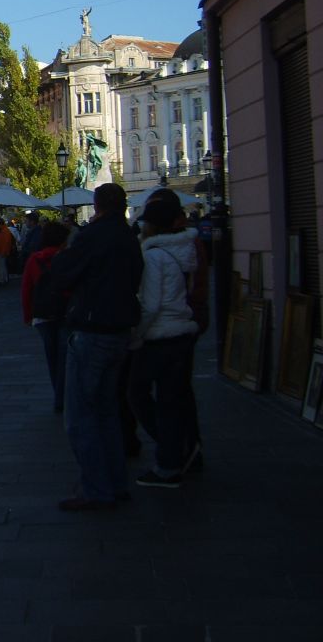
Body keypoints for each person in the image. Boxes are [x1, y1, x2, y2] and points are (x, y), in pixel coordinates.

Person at [48, 182, 144, 511]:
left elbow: (62, 274)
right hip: (121, 330)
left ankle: (96, 488)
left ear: (97, 205)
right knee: (107, 412)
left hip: (92, 328)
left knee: (80, 416)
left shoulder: (92, 236)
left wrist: (65, 250)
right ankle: (115, 483)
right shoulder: (130, 237)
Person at [128, 197, 199, 488]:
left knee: (138, 394)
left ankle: (170, 457)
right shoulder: (184, 251)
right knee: (173, 398)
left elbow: (151, 304)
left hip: (162, 335)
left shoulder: (155, 256)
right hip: (181, 331)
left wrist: (136, 335)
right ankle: (178, 449)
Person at [20, 220, 72, 413]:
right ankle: (63, 395)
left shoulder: (36, 259)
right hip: (66, 311)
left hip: (42, 314)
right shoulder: (68, 257)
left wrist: (27, 315)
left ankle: (58, 395)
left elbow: (27, 288)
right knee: (65, 356)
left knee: (51, 357)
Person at [0, 219, 16, 284]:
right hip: (0, 251)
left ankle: (2, 279)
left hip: (2, 252)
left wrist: (3, 252)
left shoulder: (5, 231)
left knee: (1, 266)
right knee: (2, 265)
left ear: (0, 224)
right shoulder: (2, 230)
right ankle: (4, 278)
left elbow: (6, 243)